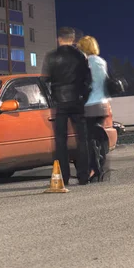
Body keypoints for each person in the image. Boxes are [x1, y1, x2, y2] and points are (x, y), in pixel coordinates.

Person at [42, 27, 93, 185]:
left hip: (60, 102)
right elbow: (88, 79)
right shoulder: (80, 56)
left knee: (60, 141)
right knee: (82, 139)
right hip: (77, 101)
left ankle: (63, 176)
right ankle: (83, 175)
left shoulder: (51, 57)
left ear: (59, 39)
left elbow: (45, 79)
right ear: (72, 39)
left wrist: (52, 97)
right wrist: (84, 96)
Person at [76, 35, 111, 182]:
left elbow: (84, 84)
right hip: (103, 104)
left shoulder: (87, 63)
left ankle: (96, 170)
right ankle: (99, 169)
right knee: (97, 138)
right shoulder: (101, 61)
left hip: (90, 104)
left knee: (88, 140)